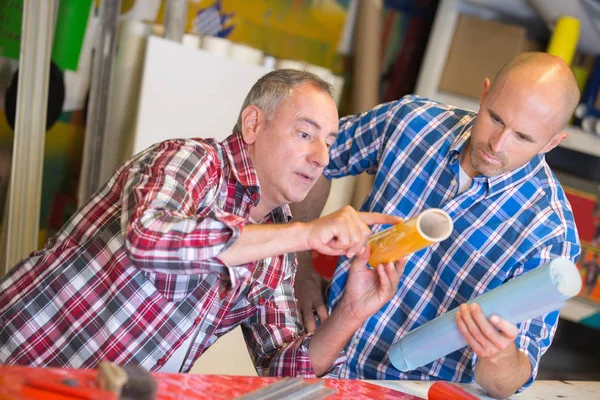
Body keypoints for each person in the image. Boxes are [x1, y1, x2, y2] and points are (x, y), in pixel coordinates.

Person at [0, 69, 405, 377]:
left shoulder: (276, 254)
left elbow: (282, 368)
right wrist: (305, 232)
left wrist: (351, 311)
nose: (321, 157)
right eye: (305, 134)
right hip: (20, 363)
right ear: (252, 125)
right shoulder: (192, 162)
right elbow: (149, 240)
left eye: (330, 143)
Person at [291, 52, 582, 398]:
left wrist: (500, 356)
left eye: (523, 137)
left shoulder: (550, 233)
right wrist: (301, 265)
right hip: (316, 366)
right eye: (495, 119)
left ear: (551, 143)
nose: (497, 144)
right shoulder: (413, 123)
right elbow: (316, 160)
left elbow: (511, 380)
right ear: (485, 94)